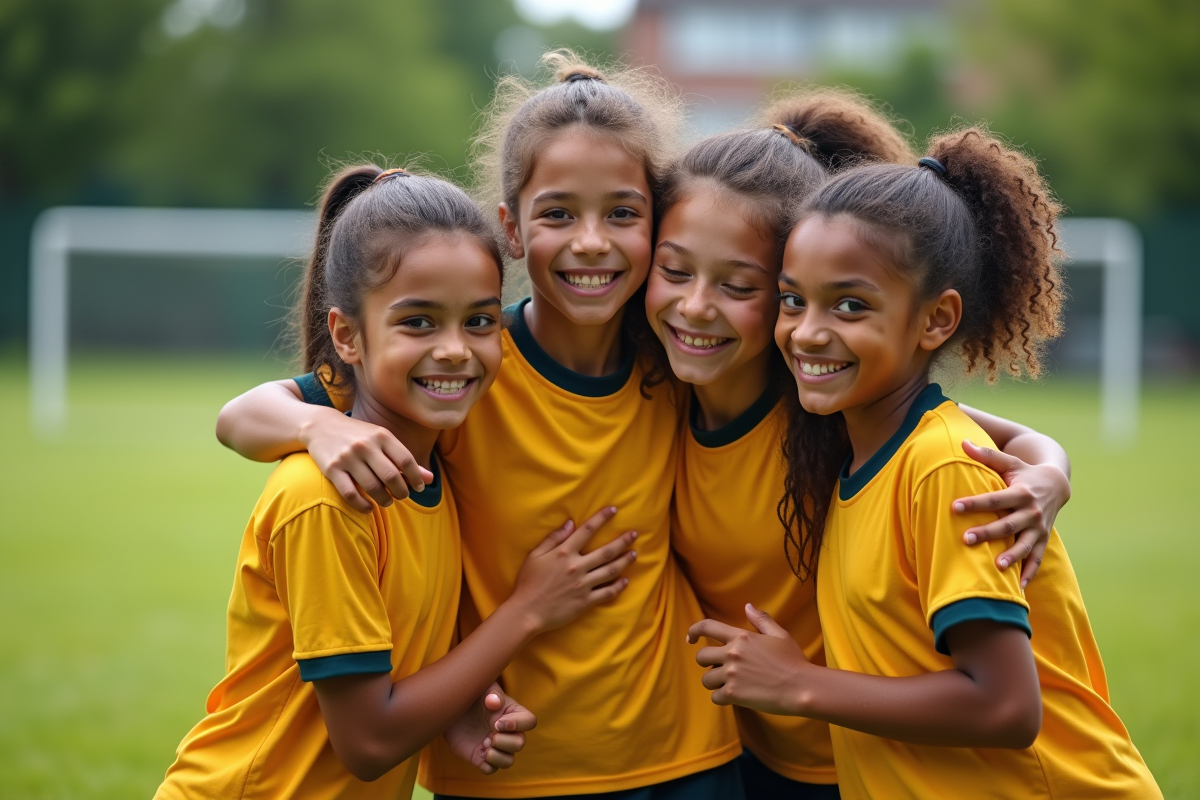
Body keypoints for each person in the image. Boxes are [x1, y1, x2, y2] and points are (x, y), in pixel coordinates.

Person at [214, 52, 746, 799]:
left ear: (657, 226)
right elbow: (238, 416)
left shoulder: (679, 358)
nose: (592, 241)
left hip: (685, 756)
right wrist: (314, 427)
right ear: (513, 229)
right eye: (558, 213)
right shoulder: (468, 371)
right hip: (504, 767)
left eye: (623, 214)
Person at [687, 128, 1162, 799]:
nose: (809, 331)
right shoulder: (855, 451)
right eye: (793, 300)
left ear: (936, 320)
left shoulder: (942, 469)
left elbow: (1005, 707)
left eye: (850, 305)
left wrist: (798, 684)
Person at [156, 164, 639, 800]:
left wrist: (451, 714)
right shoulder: (325, 500)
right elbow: (369, 742)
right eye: (418, 322)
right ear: (347, 336)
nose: (455, 349)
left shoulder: (437, 472)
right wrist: (527, 610)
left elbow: (383, 690)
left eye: (480, 321)